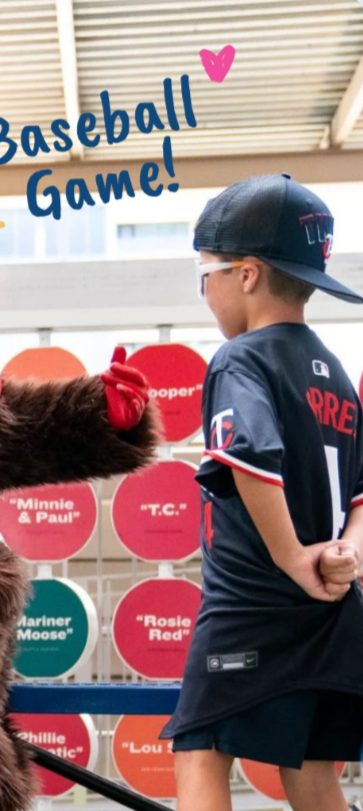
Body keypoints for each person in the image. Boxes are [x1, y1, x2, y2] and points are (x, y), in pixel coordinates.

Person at [160, 174, 363, 811]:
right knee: (309, 769)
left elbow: (248, 453)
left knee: (200, 751)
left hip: (254, 602)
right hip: (334, 615)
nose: (205, 293)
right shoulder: (338, 376)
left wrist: (293, 558)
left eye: (205, 276)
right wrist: (345, 556)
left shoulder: (240, 360)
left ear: (246, 274)